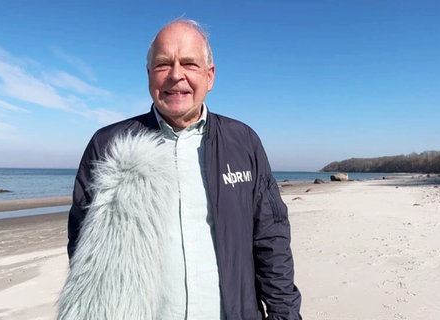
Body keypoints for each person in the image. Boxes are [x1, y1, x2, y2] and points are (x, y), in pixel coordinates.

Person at [58, 19, 302, 320]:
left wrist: (285, 315)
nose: (176, 75)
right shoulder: (107, 144)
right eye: (163, 65)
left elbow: (271, 240)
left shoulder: (244, 142)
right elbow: (82, 246)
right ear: (149, 75)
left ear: (209, 76)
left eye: (189, 63)